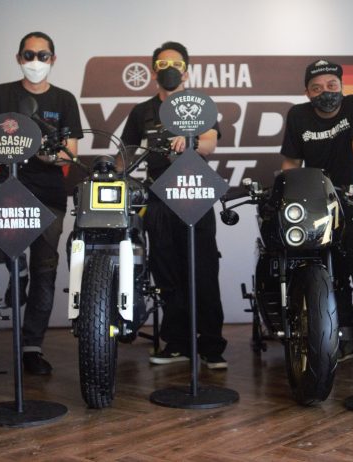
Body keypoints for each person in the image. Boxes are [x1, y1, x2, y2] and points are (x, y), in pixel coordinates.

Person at [0, 31, 83, 375]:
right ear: (18, 58)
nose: (35, 62)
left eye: (43, 55)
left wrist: (43, 150)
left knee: (45, 269)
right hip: (9, 187)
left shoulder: (64, 100)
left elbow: (71, 152)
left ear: (53, 59)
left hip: (49, 194)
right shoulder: (2, 94)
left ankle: (31, 347)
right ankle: (15, 269)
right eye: (29, 55)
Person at [119, 41, 228, 369]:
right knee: (167, 273)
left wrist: (192, 141)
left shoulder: (199, 105)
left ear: (186, 72)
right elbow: (127, 152)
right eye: (163, 65)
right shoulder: (141, 112)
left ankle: (211, 346)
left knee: (204, 270)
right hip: (159, 199)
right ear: (153, 72)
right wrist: (110, 170)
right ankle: (177, 343)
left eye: (176, 65)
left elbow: (210, 143)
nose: (170, 70)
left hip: (195, 195)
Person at [280, 59, 353, 368]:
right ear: (307, 92)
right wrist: (287, 196)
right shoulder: (298, 115)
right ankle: (344, 340)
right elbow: (291, 163)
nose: (325, 92)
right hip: (318, 204)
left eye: (331, 85)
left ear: (341, 86)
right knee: (333, 273)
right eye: (316, 88)